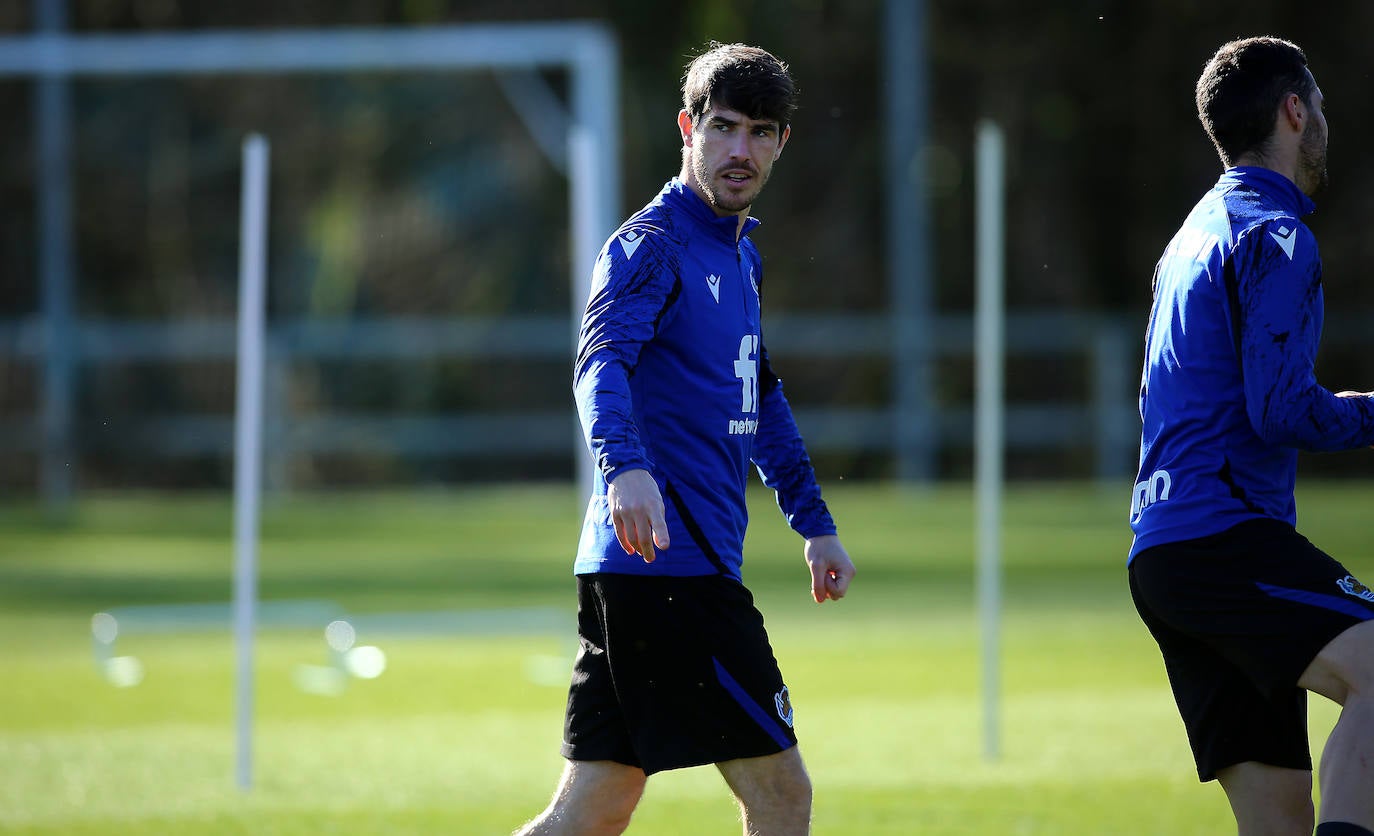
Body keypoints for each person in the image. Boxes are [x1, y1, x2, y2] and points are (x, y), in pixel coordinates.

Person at [514, 42, 856, 836]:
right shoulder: (653, 245)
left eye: (760, 132)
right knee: (783, 794)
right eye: (724, 127)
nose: (741, 150)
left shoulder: (740, 255)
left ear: (782, 142)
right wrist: (623, 467)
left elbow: (759, 396)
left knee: (591, 811)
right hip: (672, 569)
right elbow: (600, 361)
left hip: (643, 572)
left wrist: (813, 522)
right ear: (687, 128)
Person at [1128, 36, 1374, 836]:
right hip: (1224, 540)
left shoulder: (1191, 235)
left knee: (1279, 820)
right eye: (1320, 105)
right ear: (1294, 111)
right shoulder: (1276, 234)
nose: (1325, 120)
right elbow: (1282, 411)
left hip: (1164, 552)